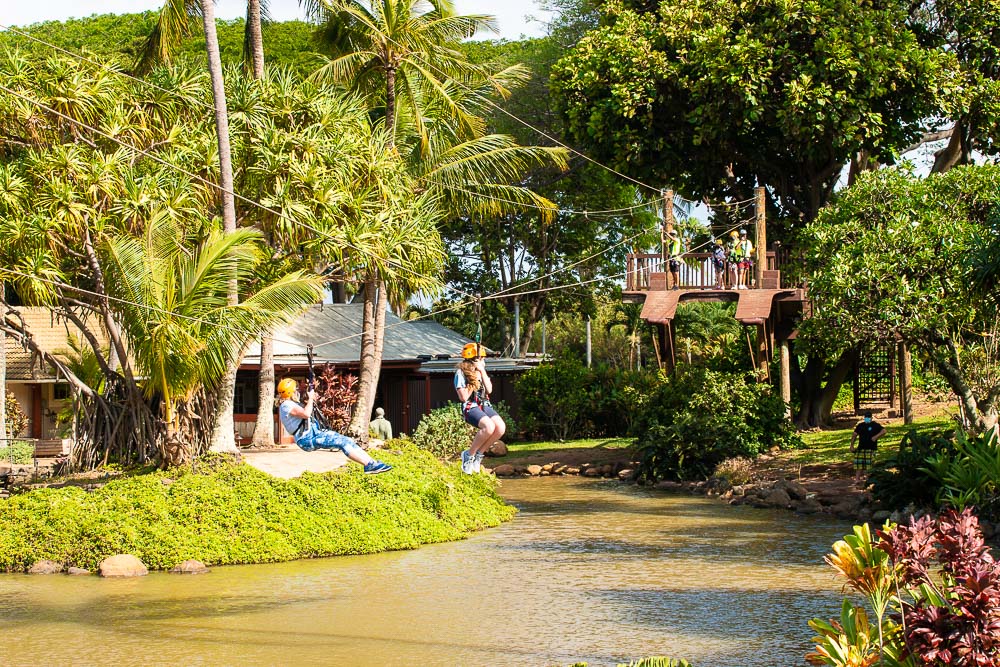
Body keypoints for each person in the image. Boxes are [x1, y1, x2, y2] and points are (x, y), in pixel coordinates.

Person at [276, 378, 392, 474]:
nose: (298, 390)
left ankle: (371, 463)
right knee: (342, 443)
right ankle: (369, 465)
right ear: (291, 392)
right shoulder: (286, 405)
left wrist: (311, 397)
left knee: (347, 440)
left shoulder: (291, 404)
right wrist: (310, 398)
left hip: (314, 434)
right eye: (296, 389)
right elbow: (306, 414)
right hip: (307, 439)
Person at [454, 342, 506, 474]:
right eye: (482, 358)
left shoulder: (481, 371)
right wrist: (473, 381)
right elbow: (463, 397)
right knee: (488, 427)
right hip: (471, 406)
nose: (484, 360)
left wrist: (482, 372)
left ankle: (479, 455)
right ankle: (469, 455)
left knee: (500, 427)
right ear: (475, 360)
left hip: (484, 405)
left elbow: (489, 390)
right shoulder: (461, 373)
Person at [850, 410, 886, 485]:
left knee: (869, 465)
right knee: (859, 464)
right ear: (864, 418)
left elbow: (884, 431)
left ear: (871, 418)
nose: (867, 418)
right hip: (861, 448)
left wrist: (876, 437)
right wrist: (852, 445)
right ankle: (857, 479)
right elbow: (854, 435)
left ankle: (868, 480)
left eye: (868, 417)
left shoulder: (875, 425)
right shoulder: (860, 425)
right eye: (866, 417)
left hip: (870, 448)